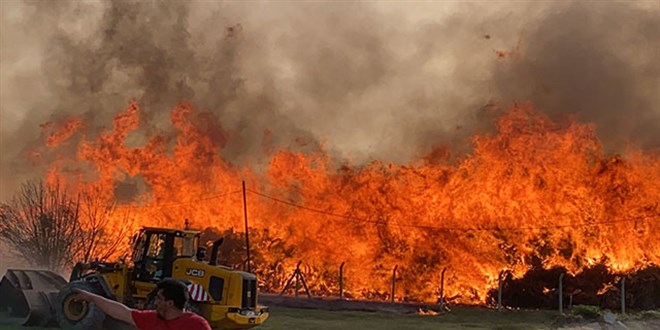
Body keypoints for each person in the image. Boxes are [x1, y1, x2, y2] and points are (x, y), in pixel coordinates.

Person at [73, 278, 211, 330]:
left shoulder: (197, 325)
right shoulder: (152, 319)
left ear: (169, 303)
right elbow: (121, 312)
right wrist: (91, 297)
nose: (155, 303)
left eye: (159, 299)